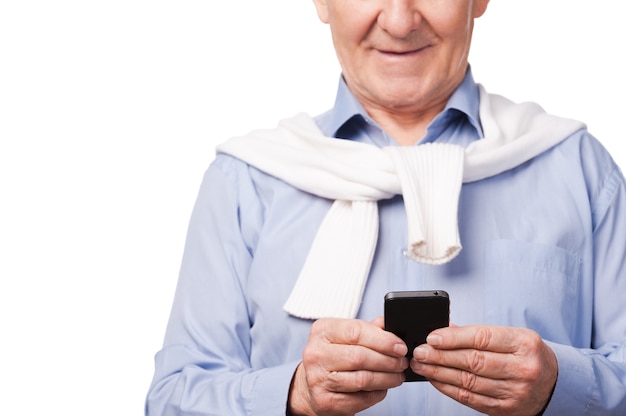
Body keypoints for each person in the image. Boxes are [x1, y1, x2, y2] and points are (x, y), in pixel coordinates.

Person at [146, 0, 626, 415]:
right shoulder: (247, 181)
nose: (399, 21)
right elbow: (172, 399)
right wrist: (294, 395)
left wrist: (560, 384)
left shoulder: (578, 168)